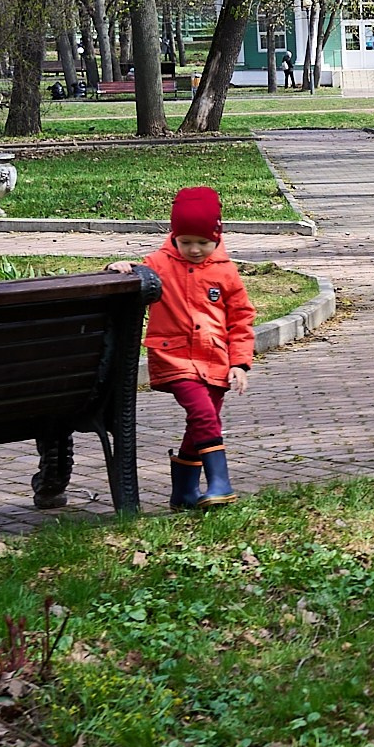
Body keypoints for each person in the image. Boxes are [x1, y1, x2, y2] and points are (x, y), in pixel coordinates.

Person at [109, 186, 256, 509]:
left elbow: (241, 319)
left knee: (203, 422)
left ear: (217, 236)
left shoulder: (225, 270)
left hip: (216, 359)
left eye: (203, 242)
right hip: (173, 358)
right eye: (185, 241)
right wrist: (121, 267)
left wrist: (240, 363)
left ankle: (183, 494)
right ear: (173, 235)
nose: (193, 249)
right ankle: (220, 481)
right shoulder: (159, 263)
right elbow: (138, 274)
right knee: (203, 414)